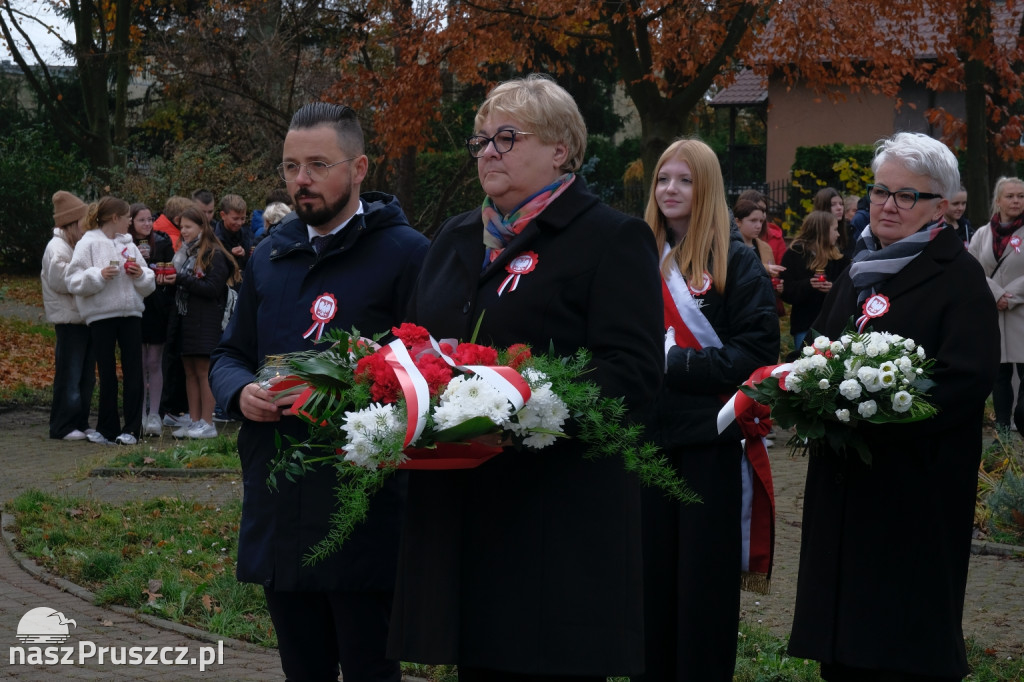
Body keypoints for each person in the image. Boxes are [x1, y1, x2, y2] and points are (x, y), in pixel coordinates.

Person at [387, 74, 664, 682]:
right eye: (482, 139)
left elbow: (633, 374)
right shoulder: (457, 237)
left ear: (561, 149)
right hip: (461, 510)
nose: (488, 150)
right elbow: (417, 345)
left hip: (555, 516)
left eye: (507, 137)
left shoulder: (611, 237)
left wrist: (517, 405)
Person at [210, 102, 428, 682]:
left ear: (358, 168)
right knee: (301, 669)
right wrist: (238, 394)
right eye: (289, 166)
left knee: (369, 669)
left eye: (316, 165)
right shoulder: (270, 254)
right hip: (279, 496)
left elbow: (429, 371)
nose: (300, 180)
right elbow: (232, 352)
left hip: (362, 504)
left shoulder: (407, 253)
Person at [789, 132, 999, 681]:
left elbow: (967, 379)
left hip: (911, 492)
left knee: (898, 643)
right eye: (881, 190)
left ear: (941, 207)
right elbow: (817, 348)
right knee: (842, 646)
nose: (887, 204)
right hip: (842, 486)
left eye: (907, 195)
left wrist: (875, 414)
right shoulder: (857, 271)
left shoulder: (959, 278)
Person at [638, 139, 779, 682]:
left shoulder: (736, 262)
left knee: (702, 592)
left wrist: (678, 365)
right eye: (663, 179)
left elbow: (759, 351)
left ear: (707, 189)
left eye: (684, 180)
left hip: (708, 445)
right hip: (645, 442)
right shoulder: (634, 255)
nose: (670, 190)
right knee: (648, 585)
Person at [66, 196, 156, 445]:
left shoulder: (129, 244)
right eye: (127, 217)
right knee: (106, 373)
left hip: (131, 315)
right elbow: (72, 279)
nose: (130, 221)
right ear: (115, 218)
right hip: (101, 316)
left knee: (133, 372)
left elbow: (148, 279)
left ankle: (132, 429)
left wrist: (140, 275)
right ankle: (107, 428)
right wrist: (98, 275)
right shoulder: (88, 243)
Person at [169, 205, 239, 440]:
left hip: (207, 321)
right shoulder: (186, 254)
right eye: (181, 227)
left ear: (202, 227)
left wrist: (180, 279)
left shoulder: (214, 254)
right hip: (187, 319)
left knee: (203, 371)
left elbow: (211, 288)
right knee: (189, 371)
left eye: (188, 227)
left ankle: (208, 422)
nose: (184, 231)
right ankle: (194, 419)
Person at [967, 176, 1024, 433]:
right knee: (999, 376)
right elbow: (972, 268)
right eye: (1010, 196)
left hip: (1020, 310)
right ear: (998, 200)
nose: (1016, 200)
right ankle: (1002, 432)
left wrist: (1009, 295)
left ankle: (1021, 424)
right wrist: (995, 294)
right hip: (994, 313)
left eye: (1021, 196)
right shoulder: (982, 234)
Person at [41, 191, 96, 441]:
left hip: (83, 318)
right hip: (69, 320)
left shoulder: (73, 245)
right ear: (72, 223)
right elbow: (63, 281)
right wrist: (93, 275)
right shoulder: (57, 248)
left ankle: (80, 421)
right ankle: (62, 425)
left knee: (85, 376)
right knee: (70, 375)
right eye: (83, 222)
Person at [129, 202, 176, 436]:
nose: (147, 224)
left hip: (157, 307)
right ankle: (137, 411)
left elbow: (171, 272)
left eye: (150, 219)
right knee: (137, 361)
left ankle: (155, 414)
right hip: (134, 307)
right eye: (142, 220)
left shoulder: (163, 241)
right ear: (131, 222)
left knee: (154, 361)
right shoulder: (125, 244)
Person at [780, 210, 849, 351]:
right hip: (805, 326)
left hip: (833, 326)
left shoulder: (840, 260)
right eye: (835, 229)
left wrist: (833, 288)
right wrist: (808, 285)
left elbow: (849, 291)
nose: (838, 234)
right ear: (822, 231)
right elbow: (786, 292)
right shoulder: (794, 255)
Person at [738, 188, 786, 264]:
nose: (761, 214)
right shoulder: (729, 241)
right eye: (756, 209)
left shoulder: (775, 238)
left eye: (763, 210)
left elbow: (781, 271)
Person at [213, 194, 253, 276]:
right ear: (223, 215)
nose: (239, 223)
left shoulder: (246, 233)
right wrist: (230, 255)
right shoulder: (214, 238)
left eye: (243, 218)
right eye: (235, 219)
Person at [814, 186, 853, 257]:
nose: (839, 208)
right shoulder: (813, 234)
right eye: (833, 204)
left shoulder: (849, 231)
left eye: (841, 204)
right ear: (823, 207)